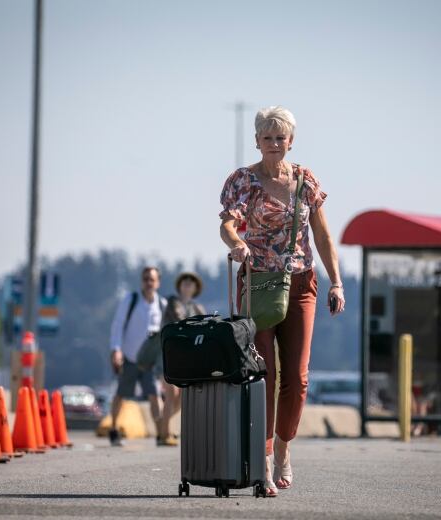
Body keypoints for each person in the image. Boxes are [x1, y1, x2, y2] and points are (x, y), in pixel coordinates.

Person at [218, 106, 345, 496]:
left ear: (291, 142)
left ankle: (285, 447)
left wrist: (336, 282)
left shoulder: (306, 181)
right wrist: (237, 242)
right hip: (258, 281)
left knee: (298, 377)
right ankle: (265, 459)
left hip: (302, 281)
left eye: (280, 138)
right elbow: (226, 223)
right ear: (257, 141)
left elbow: (322, 236)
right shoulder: (243, 180)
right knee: (264, 375)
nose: (274, 144)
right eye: (267, 137)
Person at [108, 266, 167, 446]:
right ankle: (114, 428)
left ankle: (161, 433)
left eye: (152, 279)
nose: (149, 283)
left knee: (154, 395)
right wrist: (116, 350)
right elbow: (117, 325)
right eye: (145, 279)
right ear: (141, 281)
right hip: (130, 357)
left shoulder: (162, 305)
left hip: (149, 362)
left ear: (158, 283)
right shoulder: (131, 300)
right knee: (121, 394)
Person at [156, 272, 206, 446]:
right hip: (169, 355)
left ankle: (162, 425)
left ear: (195, 288)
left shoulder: (197, 307)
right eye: (185, 282)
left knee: (183, 396)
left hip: (186, 358)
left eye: (191, 283)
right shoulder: (173, 302)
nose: (187, 285)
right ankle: (164, 435)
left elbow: (207, 324)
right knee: (171, 393)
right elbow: (180, 320)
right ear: (179, 286)